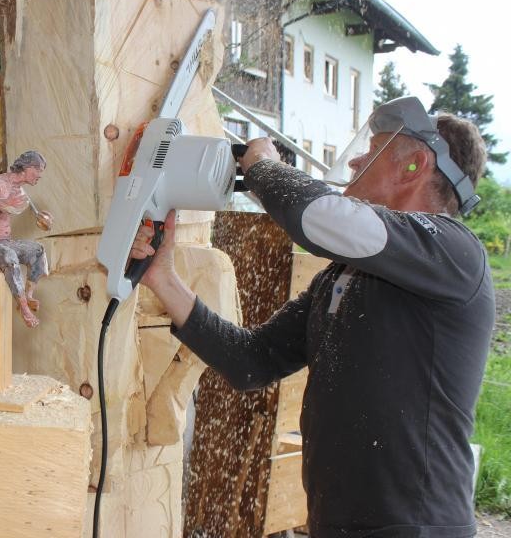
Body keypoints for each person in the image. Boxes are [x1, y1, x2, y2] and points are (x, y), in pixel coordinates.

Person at [129, 97, 494, 537]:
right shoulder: (343, 278)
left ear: (414, 166)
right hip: (335, 525)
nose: (356, 159)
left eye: (372, 150)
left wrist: (264, 167)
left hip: (418, 527)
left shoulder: (454, 252)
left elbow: (320, 216)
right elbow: (252, 360)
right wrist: (163, 278)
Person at [0, 150, 50, 328]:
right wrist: (5, 204)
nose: (40, 175)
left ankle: (28, 296)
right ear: (26, 167)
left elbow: (38, 217)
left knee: (38, 250)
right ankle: (23, 309)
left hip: (4, 243)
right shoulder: (0, 183)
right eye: (38, 169)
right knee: (9, 257)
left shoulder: (20, 190)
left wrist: (44, 219)